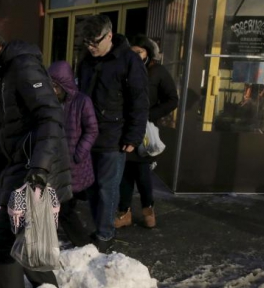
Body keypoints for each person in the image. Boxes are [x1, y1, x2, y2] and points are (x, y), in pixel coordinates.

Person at [0, 25, 72, 288]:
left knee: (11, 237)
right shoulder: (8, 73)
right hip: (23, 165)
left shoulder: (23, 68)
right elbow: (14, 129)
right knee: (16, 238)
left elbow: (49, 117)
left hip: (33, 169)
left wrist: (39, 170)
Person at [76, 14, 149, 252]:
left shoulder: (129, 60)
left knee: (107, 187)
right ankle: (99, 228)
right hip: (88, 136)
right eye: (86, 42)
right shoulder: (86, 59)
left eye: (94, 41)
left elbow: (139, 100)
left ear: (109, 36)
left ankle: (106, 234)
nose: (90, 46)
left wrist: (133, 136)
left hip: (114, 137)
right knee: (90, 186)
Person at [115, 35, 178, 229]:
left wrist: (149, 115)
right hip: (124, 128)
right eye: (132, 51)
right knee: (125, 172)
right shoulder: (122, 69)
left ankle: (148, 209)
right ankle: (124, 212)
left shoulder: (157, 71)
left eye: (139, 52)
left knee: (142, 173)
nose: (135, 55)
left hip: (144, 130)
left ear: (148, 53)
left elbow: (172, 99)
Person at [47, 60, 99, 247]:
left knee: (65, 207)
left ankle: (82, 242)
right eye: (50, 85)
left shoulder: (81, 101)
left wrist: (79, 153)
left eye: (55, 86)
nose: (53, 90)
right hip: (56, 164)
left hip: (75, 164)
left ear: (64, 84)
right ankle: (79, 240)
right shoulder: (50, 103)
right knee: (62, 204)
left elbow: (92, 130)